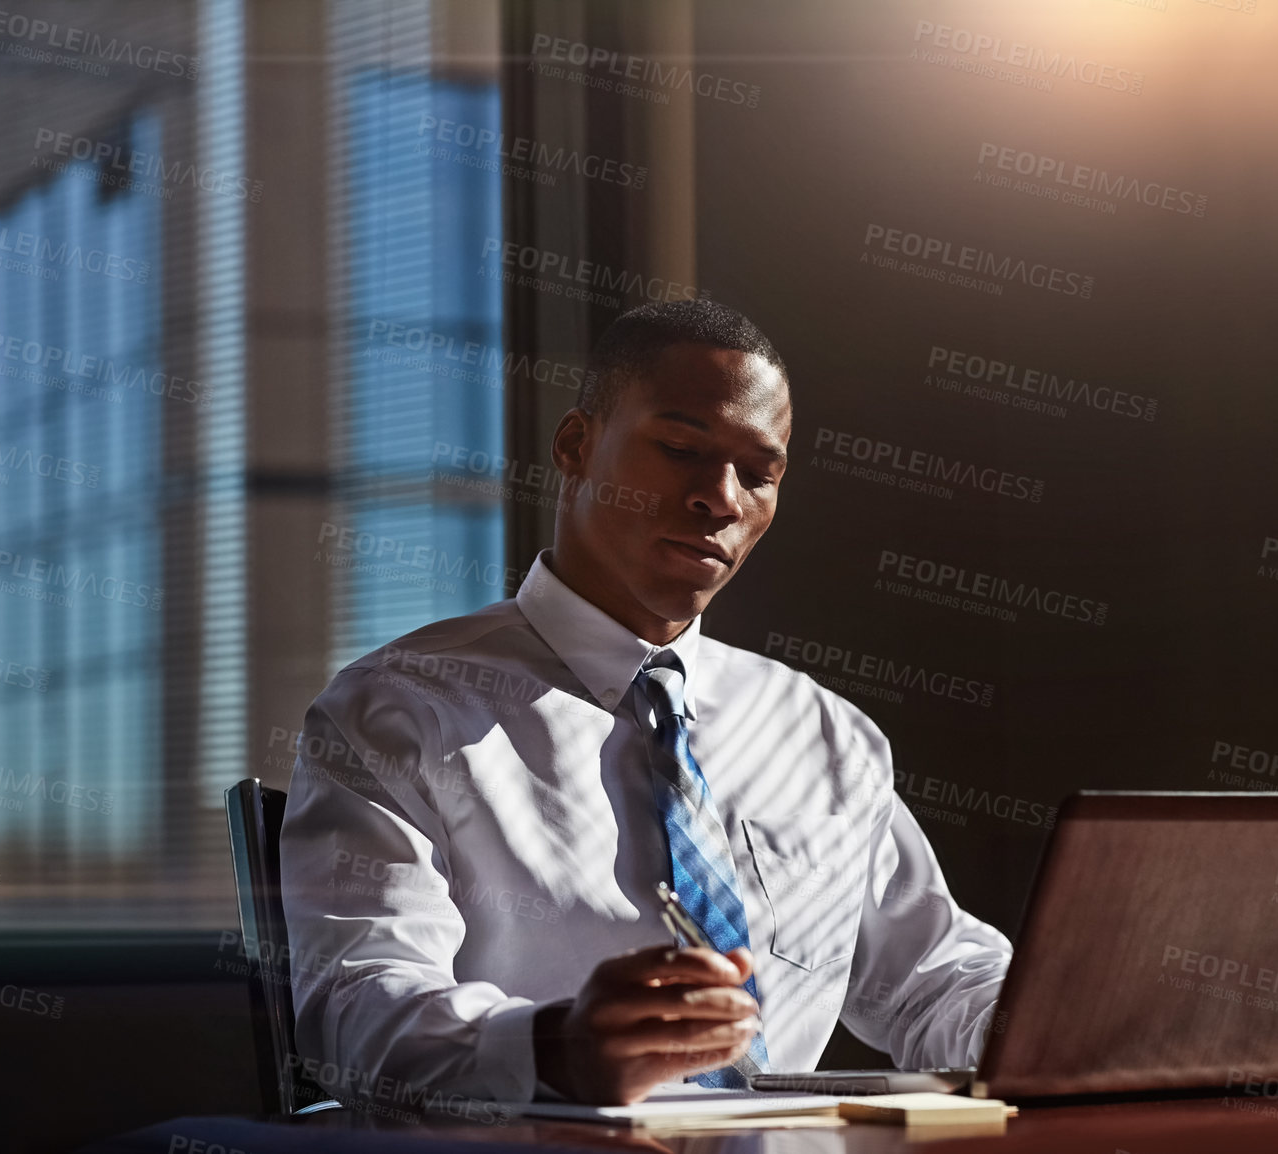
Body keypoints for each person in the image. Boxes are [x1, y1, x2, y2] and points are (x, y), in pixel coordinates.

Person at [278, 300, 1010, 1107]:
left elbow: (932, 981)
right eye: (680, 449)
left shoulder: (821, 734)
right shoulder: (402, 711)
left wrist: (1072, 1024)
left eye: (759, 473)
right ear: (575, 447)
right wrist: (555, 1050)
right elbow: (353, 1003)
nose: (720, 499)